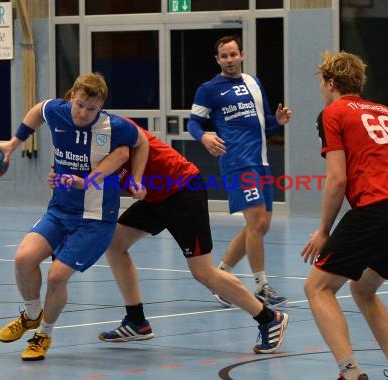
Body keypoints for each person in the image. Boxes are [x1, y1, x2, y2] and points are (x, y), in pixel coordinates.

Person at [0, 72, 149, 361]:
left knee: (57, 276)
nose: (84, 113)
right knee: (23, 259)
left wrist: (136, 179)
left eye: (92, 108)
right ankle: (32, 315)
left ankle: (44, 334)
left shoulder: (115, 127)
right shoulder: (57, 111)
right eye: (80, 105)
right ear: (71, 96)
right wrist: (13, 143)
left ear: (101, 107)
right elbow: (37, 110)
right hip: (60, 210)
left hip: (96, 218)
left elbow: (141, 143)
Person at [97, 123, 288, 354]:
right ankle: (137, 321)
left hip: (183, 190)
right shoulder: (82, 146)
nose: (80, 114)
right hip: (156, 198)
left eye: (86, 108)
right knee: (115, 244)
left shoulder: (114, 128)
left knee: (203, 272)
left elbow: (129, 153)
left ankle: (269, 318)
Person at [301, 51, 388, 380]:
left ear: (331, 82)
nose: (321, 88)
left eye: (321, 82)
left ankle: (350, 372)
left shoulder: (333, 113)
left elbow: (338, 179)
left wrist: (324, 230)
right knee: (363, 289)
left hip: (376, 209)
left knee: (317, 288)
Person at [187, 35, 292, 308]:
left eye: (233, 54)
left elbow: (264, 121)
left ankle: (221, 277)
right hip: (236, 161)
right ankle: (262, 286)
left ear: (241, 55)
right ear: (217, 59)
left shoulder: (254, 83)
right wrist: (205, 138)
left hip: (261, 161)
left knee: (261, 225)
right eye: (224, 56)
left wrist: (277, 121)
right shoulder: (208, 89)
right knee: (256, 222)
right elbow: (193, 123)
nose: (230, 59)